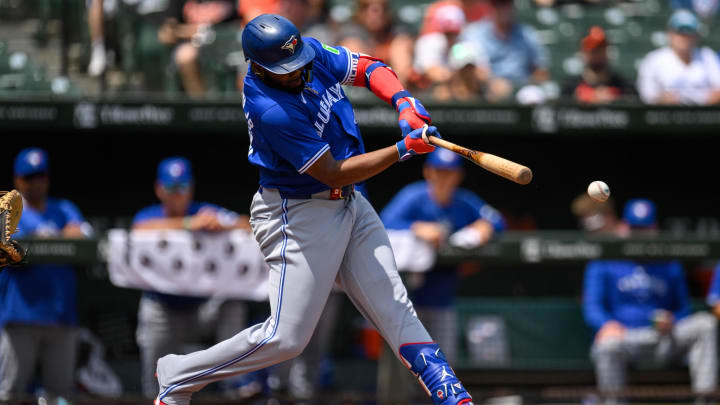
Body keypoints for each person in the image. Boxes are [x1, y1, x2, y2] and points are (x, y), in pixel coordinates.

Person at [153, 14, 474, 405]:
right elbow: (331, 173)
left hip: (350, 202)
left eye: (299, 61)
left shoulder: (307, 54)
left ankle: (452, 394)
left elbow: (370, 67)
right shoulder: (269, 107)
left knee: (395, 307)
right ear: (259, 67)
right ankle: (179, 375)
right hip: (298, 213)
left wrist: (403, 101)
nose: (299, 71)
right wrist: (403, 149)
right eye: (287, 70)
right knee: (286, 339)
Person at [378, 149, 505, 403]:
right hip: (406, 302)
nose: (443, 178)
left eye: (449, 173)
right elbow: (382, 223)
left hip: (442, 299)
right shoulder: (413, 196)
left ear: (458, 176)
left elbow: (497, 220)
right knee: (403, 373)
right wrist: (415, 227)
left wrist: (485, 226)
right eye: (439, 172)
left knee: (443, 371)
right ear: (428, 172)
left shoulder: (465, 202)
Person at [133, 156, 251, 398]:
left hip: (202, 308)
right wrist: (188, 224)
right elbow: (138, 230)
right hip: (163, 309)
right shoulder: (150, 215)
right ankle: (155, 396)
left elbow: (247, 223)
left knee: (232, 303)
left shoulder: (204, 211)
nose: (178, 194)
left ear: (191, 188)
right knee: (153, 386)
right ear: (159, 189)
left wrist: (220, 224)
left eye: (183, 187)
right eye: (171, 188)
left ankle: (234, 385)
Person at [583, 198, 717, 402]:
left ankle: (705, 401)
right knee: (607, 345)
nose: (639, 234)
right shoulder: (606, 258)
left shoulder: (669, 262)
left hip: (662, 338)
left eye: (644, 229)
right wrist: (606, 324)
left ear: (654, 229)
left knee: (705, 325)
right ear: (624, 227)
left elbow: (683, 307)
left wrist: (673, 320)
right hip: (626, 338)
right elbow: (592, 306)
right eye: (635, 228)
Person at [0, 148, 91, 401]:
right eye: (30, 177)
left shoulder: (64, 208)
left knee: (60, 395)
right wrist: (59, 237)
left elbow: (83, 235)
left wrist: (49, 240)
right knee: (10, 393)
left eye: (41, 176)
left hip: (61, 316)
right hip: (21, 315)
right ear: (18, 179)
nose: (36, 183)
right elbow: (12, 248)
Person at [459, 0, 549, 101]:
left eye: (505, 4)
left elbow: (540, 71)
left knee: (533, 96)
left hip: (521, 89)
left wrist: (528, 83)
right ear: (490, 7)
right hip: (486, 89)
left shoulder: (527, 34)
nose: (501, 10)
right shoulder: (473, 33)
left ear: (512, 7)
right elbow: (464, 67)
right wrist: (491, 82)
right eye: (497, 5)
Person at [637, 9, 720, 105]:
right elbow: (648, 95)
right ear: (670, 33)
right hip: (665, 117)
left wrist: (681, 99)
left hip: (705, 117)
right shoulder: (653, 60)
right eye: (680, 31)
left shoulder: (707, 56)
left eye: (689, 32)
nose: (685, 36)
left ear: (696, 35)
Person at [413, 2, 490, 101]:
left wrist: (467, 73)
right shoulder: (428, 42)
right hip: (427, 92)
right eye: (447, 33)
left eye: (454, 33)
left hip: (462, 89)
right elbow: (435, 73)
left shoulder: (469, 43)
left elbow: (483, 74)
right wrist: (459, 73)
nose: (451, 37)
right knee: (442, 92)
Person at [337, 0, 414, 86]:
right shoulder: (349, 29)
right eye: (367, 6)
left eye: (382, 7)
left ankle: (400, 94)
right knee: (352, 46)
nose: (376, 12)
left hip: (393, 83)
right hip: (360, 87)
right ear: (359, 9)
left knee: (400, 47)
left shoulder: (397, 28)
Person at [562, 26, 635, 104]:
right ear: (583, 53)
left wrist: (615, 99)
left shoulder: (622, 84)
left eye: (601, 50)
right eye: (593, 51)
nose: (598, 55)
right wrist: (590, 97)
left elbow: (635, 103)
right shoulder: (571, 86)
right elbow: (560, 106)